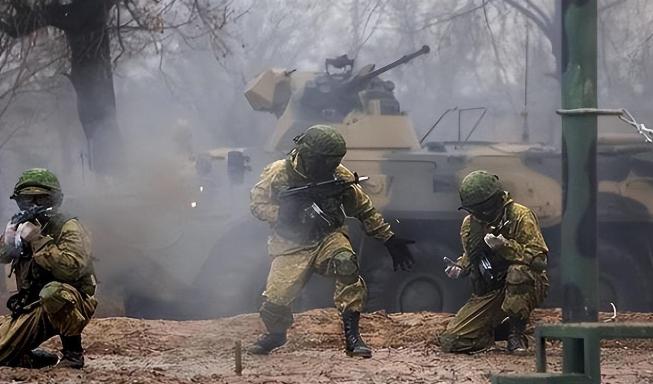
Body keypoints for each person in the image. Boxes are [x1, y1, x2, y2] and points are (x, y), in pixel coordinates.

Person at [248, 124, 414, 358]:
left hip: (328, 237)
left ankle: (353, 338)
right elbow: (257, 204)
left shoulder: (338, 175)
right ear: (308, 155)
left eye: (333, 161)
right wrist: (281, 213)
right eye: (324, 161)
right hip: (291, 245)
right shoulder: (278, 173)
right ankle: (276, 334)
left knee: (346, 263)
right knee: (275, 301)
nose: (329, 166)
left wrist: (388, 239)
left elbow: (363, 209)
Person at [439, 170, 548, 353]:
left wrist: (505, 247)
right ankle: (496, 331)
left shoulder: (520, 216)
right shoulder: (470, 224)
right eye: (473, 210)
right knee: (452, 341)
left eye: (483, 208)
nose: (479, 215)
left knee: (517, 272)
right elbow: (472, 255)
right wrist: (460, 266)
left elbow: (539, 260)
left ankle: (516, 334)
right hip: (491, 290)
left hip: (525, 283)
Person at [0, 168, 97, 368]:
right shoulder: (21, 225)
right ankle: (27, 357)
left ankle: (73, 354)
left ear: (55, 200)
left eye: (41, 199)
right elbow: (3, 256)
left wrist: (38, 240)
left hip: (70, 300)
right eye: (27, 200)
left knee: (53, 292)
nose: (34, 206)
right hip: (33, 305)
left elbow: (70, 270)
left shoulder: (68, 226)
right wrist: (8, 240)